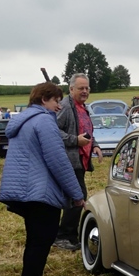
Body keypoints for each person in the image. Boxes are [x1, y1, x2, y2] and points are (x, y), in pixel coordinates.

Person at [0, 82, 85, 276]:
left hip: (27, 193)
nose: (59, 105)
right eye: (56, 100)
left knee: (36, 243)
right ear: (44, 99)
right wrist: (77, 194)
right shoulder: (45, 121)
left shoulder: (25, 120)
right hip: (40, 194)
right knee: (39, 246)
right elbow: (58, 161)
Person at [54, 73, 103, 250]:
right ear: (71, 89)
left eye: (87, 88)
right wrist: (75, 140)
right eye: (81, 88)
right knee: (78, 196)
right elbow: (53, 131)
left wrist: (94, 145)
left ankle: (70, 236)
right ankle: (63, 236)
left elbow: (87, 131)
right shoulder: (66, 107)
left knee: (75, 197)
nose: (84, 91)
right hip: (69, 161)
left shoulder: (82, 107)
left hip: (80, 161)